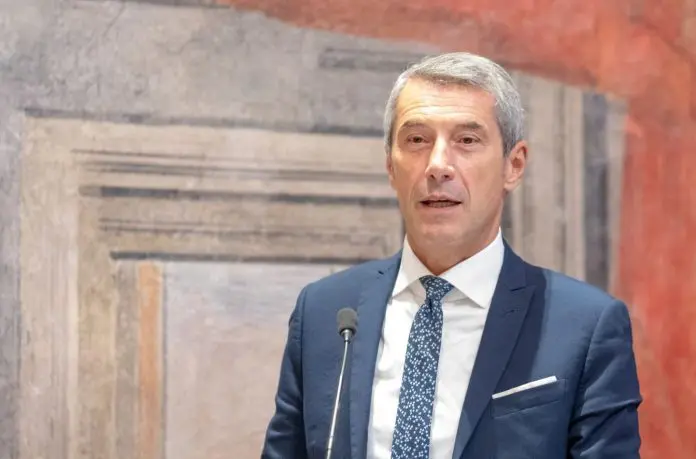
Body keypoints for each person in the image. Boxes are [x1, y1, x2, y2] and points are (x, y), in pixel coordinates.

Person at [261, 52, 642, 459]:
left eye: (466, 141)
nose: (438, 165)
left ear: (513, 165)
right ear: (390, 166)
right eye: (417, 140)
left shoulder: (585, 326)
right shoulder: (326, 313)